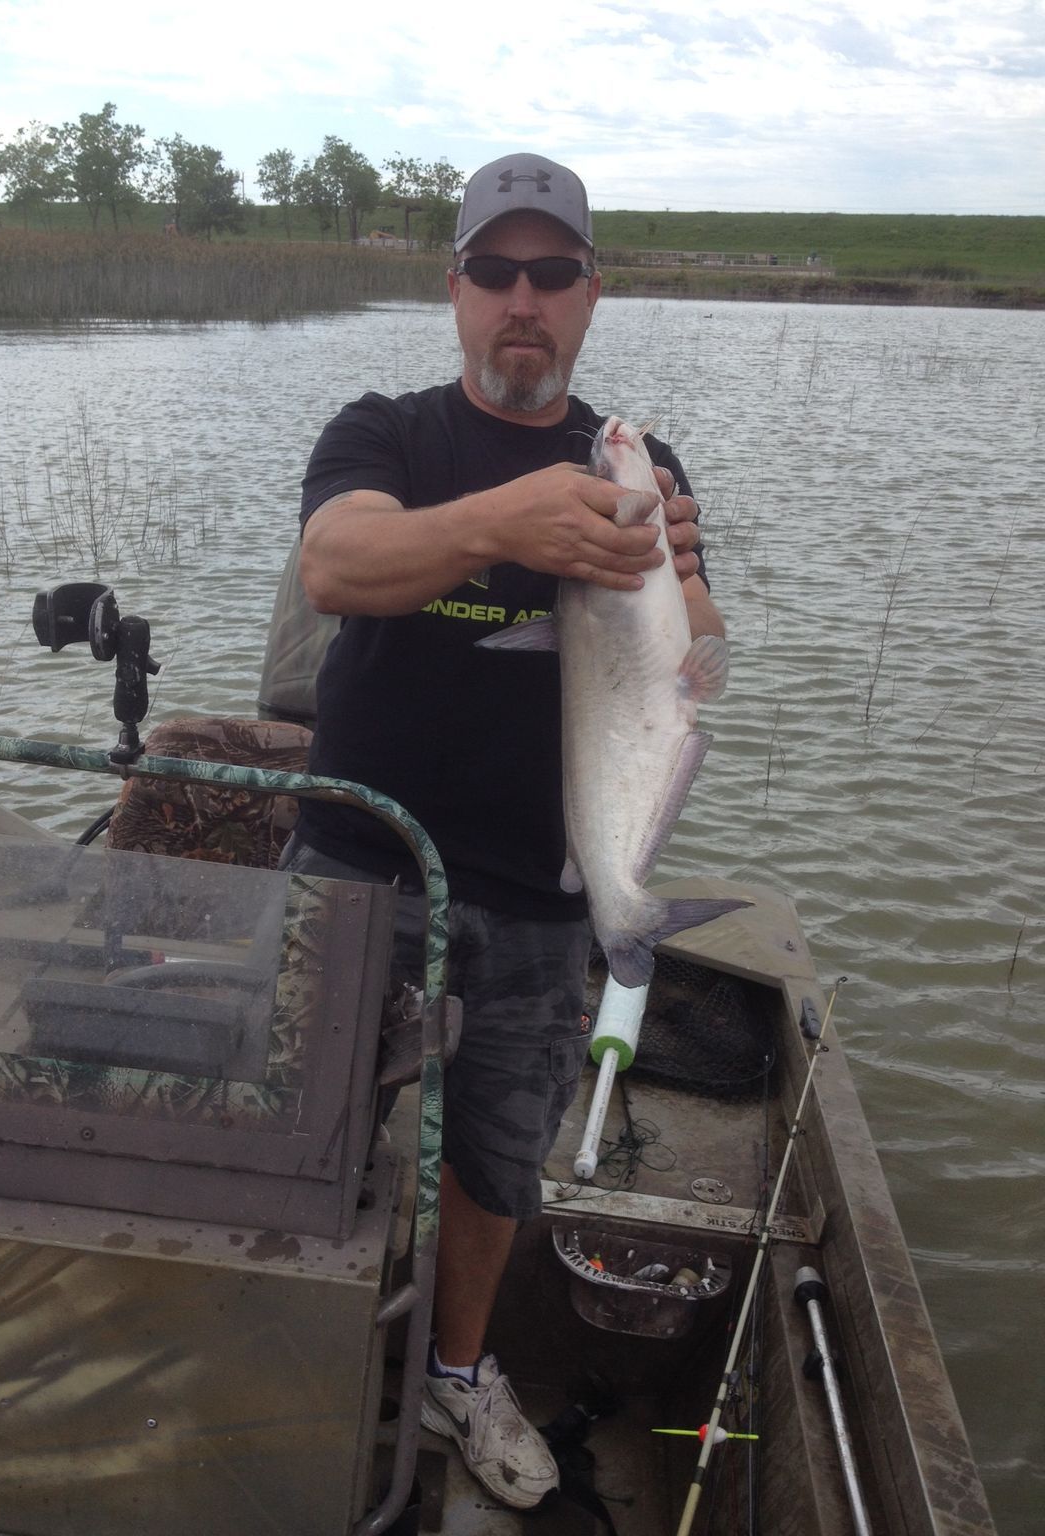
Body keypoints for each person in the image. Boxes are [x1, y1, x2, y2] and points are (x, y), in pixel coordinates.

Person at [283, 152, 724, 1509]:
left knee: (494, 1161)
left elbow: (695, 673)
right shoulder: (387, 435)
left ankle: (460, 1370)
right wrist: (506, 525)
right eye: (495, 271)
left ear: (591, 294)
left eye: (553, 273)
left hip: (543, 894)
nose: (522, 300)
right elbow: (340, 564)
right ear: (455, 289)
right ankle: (296, 1346)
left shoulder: (634, 467)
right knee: (310, 1130)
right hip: (362, 866)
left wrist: (688, 592)